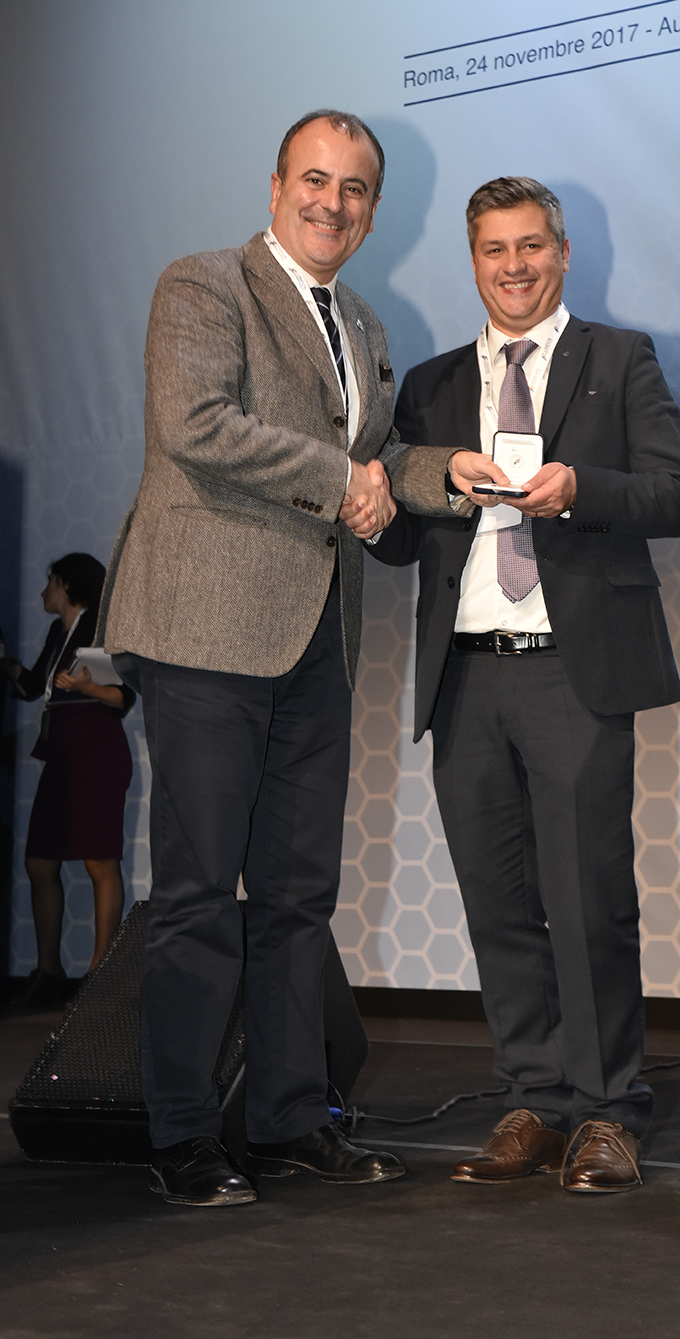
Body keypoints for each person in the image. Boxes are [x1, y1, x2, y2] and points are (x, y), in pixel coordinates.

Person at [98, 111, 502, 1207]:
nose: (333, 202)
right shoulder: (203, 285)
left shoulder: (361, 321)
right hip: (206, 628)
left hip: (319, 633)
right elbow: (197, 424)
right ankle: (184, 1133)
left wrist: (444, 470)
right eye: (315, 180)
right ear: (275, 186)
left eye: (354, 188)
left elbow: (378, 459)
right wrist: (345, 479)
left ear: (373, 209)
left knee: (296, 896)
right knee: (197, 892)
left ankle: (286, 1120)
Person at [381, 177, 680, 1193]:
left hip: (575, 671)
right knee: (498, 905)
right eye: (495, 249)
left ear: (562, 253)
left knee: (589, 900)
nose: (514, 266)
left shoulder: (622, 358)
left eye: (531, 246)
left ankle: (608, 1110)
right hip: (465, 677)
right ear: (473, 261)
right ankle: (533, 1098)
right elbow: (398, 541)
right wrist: (386, 491)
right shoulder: (431, 385)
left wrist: (579, 490)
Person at [7, 553, 134, 1008]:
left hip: (96, 750)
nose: (44, 591)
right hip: (61, 754)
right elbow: (31, 687)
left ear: (65, 585)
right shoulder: (57, 632)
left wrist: (87, 689)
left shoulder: (101, 628)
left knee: (99, 861)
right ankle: (48, 970)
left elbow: (122, 698)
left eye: (50, 582)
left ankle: (98, 975)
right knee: (40, 862)